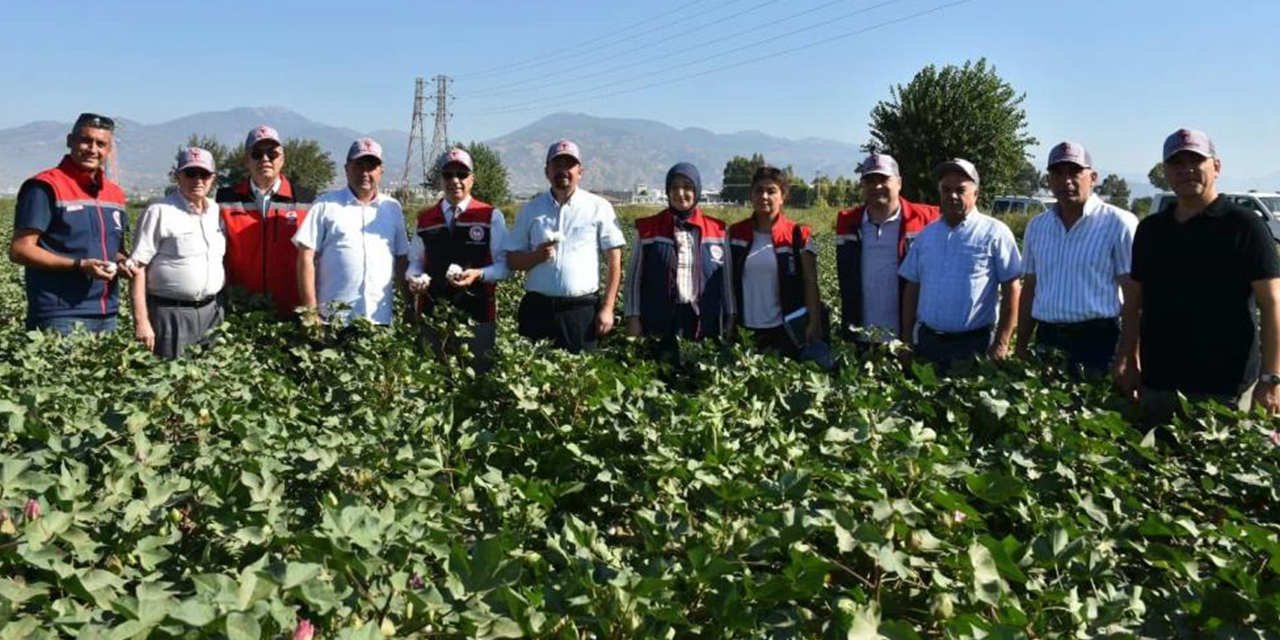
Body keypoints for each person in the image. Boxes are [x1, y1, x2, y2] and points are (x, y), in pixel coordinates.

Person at [1123, 129, 1280, 423]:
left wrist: (1271, 378)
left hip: (1225, 391)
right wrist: (1130, 359)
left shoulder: (1245, 226)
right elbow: (1133, 303)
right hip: (1159, 384)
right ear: (1165, 172)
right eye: (1177, 163)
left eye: (1196, 161)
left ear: (1216, 166)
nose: (1186, 170)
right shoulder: (1151, 230)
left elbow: (1272, 304)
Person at [1016, 142, 1138, 375]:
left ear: (1092, 178)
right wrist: (1020, 347)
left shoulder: (1119, 223)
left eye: (1074, 172)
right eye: (1058, 173)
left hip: (1098, 344)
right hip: (1047, 340)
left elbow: (1134, 296)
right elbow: (1029, 289)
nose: (1066, 181)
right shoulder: (1037, 226)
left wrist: (1127, 357)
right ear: (1048, 180)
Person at [9, 113, 130, 334]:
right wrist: (78, 265)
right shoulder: (45, 187)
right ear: (70, 140)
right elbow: (20, 250)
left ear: (109, 150)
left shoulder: (115, 194)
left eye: (101, 144)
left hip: (108, 313)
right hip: (61, 314)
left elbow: (115, 250)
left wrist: (123, 263)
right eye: (85, 140)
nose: (92, 149)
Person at [899, 159, 1021, 371]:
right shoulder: (927, 235)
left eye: (960, 190)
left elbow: (1012, 288)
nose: (952, 195)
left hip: (975, 346)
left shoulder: (995, 232)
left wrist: (1002, 343)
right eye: (946, 189)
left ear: (976, 194)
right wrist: (907, 340)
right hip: (928, 344)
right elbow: (912, 287)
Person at [505, 139, 626, 353]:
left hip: (580, 312)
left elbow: (614, 261)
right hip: (537, 310)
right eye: (557, 165)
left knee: (579, 371)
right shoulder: (531, 209)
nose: (563, 170)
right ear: (547, 171)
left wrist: (608, 308)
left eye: (569, 165)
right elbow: (512, 260)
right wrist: (536, 256)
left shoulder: (598, 207)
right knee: (531, 371)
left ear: (580, 172)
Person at [406, 148, 509, 369]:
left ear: (472, 179)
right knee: (432, 378)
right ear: (440, 179)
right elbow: (415, 261)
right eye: (448, 174)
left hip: (478, 316)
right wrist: (414, 278)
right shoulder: (425, 219)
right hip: (432, 316)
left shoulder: (490, 216)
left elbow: (504, 266)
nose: (455, 180)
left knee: (476, 378)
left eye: (462, 174)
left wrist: (479, 274)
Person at [293, 138, 408, 326]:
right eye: (358, 166)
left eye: (371, 167)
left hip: (379, 319)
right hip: (333, 321)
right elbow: (305, 257)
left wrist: (409, 305)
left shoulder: (392, 208)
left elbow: (402, 259)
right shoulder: (325, 205)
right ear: (347, 169)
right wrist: (310, 312)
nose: (365, 173)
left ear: (381, 171)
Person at [623, 162, 734, 357]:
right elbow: (633, 279)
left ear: (697, 190)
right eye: (674, 187)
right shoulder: (648, 229)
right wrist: (632, 317)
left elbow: (726, 282)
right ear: (667, 191)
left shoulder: (717, 230)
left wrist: (730, 316)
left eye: (687, 187)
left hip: (703, 321)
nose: (680, 193)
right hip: (659, 320)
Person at [129, 148, 227, 359]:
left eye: (204, 174)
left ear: (213, 178)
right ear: (177, 176)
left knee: (213, 376)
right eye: (190, 173)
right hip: (171, 313)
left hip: (213, 312)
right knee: (171, 375)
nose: (198, 180)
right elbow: (137, 267)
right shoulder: (159, 211)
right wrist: (142, 321)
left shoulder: (215, 211)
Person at [834, 153, 938, 343]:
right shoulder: (848, 222)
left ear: (899, 183)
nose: (877, 186)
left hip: (909, 338)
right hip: (860, 335)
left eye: (883, 179)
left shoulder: (926, 219)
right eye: (870, 181)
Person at [216, 125, 315, 317]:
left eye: (272, 154)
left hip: (292, 311)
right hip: (240, 311)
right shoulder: (224, 200)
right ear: (246, 159)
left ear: (282, 159)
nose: (265, 159)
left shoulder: (306, 200)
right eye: (257, 154)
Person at [728, 165, 822, 359]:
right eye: (759, 190)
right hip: (744, 329)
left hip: (786, 330)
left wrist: (814, 322)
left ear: (783, 197)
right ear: (751, 195)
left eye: (771, 191)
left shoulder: (798, 234)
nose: (764, 196)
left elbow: (810, 282)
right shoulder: (735, 234)